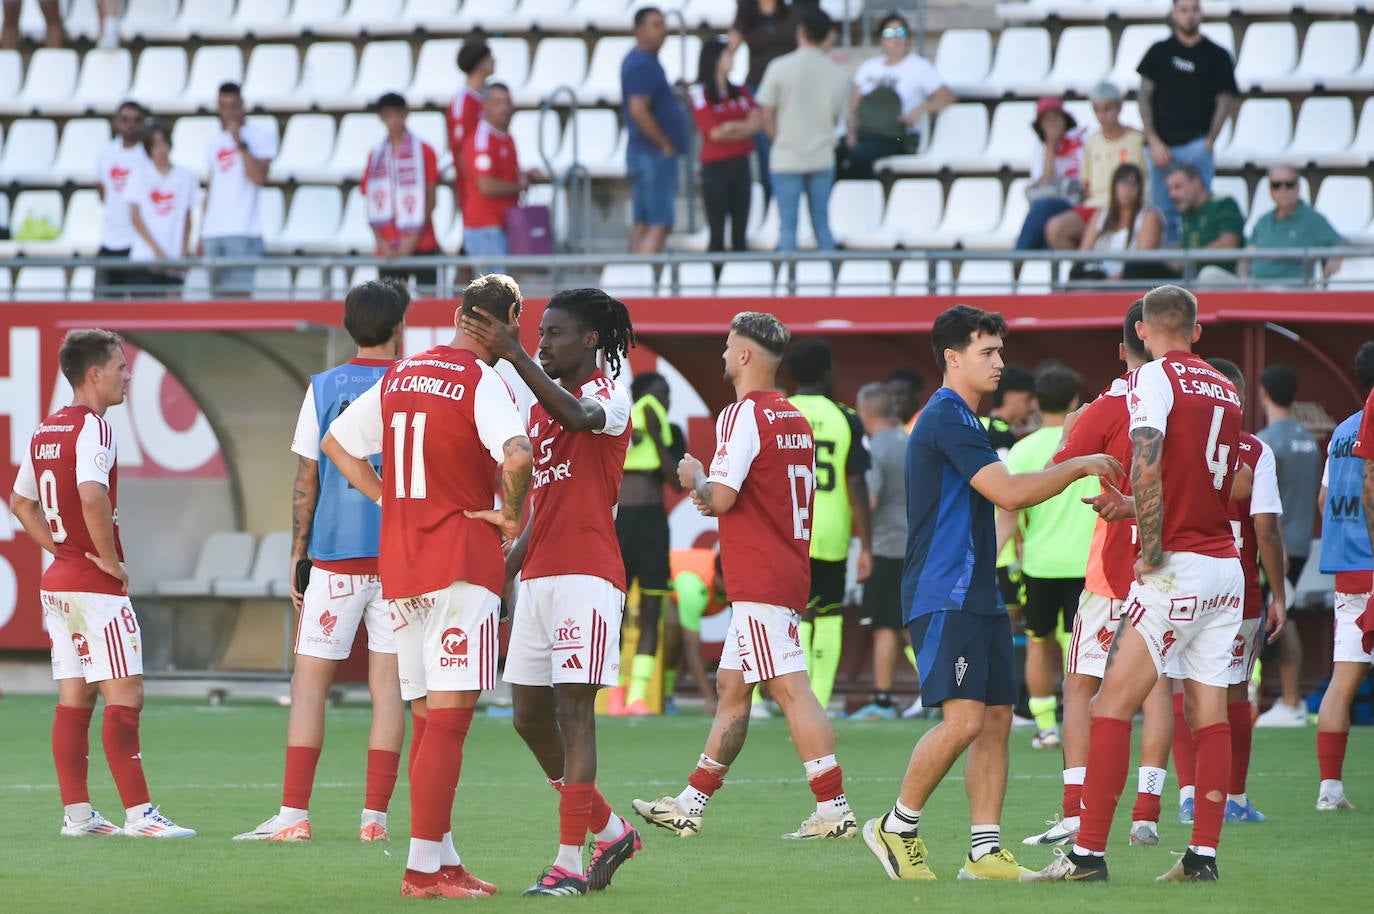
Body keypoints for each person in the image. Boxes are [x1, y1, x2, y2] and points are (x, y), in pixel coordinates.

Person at [862, 304, 1119, 882]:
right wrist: (1078, 463)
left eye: (1001, 350)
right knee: (964, 721)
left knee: (998, 718)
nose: (1001, 362)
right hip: (944, 591)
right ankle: (895, 826)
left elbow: (1005, 489)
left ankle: (983, 853)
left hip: (977, 592)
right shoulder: (946, 416)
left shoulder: (966, 419)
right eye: (988, 352)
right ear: (952, 359)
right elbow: (1008, 493)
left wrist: (1070, 450)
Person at [320, 274, 533, 899]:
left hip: (403, 566)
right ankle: (420, 871)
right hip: (459, 563)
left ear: (459, 314)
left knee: (425, 715)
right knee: (450, 720)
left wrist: (394, 504)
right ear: (508, 322)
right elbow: (517, 455)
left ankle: (441, 858)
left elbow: (337, 445)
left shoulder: (404, 373)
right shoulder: (481, 380)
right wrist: (512, 515)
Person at [1025, 284, 1244, 884]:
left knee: (1107, 705)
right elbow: (1201, 479)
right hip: (1225, 566)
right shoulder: (1224, 383)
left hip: (1175, 566)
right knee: (1210, 713)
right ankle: (1202, 857)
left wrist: (1148, 546)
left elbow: (1146, 457)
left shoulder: (1152, 378)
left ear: (1142, 332)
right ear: (1197, 331)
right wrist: (1133, 509)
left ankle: (1086, 855)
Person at [633, 311, 857, 842]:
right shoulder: (794, 416)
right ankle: (691, 802)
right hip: (782, 566)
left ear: (745, 355)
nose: (723, 355)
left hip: (760, 574)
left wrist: (693, 477)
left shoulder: (741, 415)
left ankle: (833, 807)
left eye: (728, 346)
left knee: (791, 689)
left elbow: (721, 498)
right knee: (732, 687)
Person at [459, 288, 644, 896]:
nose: (544, 342)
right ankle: (611, 828)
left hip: (588, 577)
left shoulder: (609, 396)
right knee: (528, 717)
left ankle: (569, 862)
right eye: (540, 334)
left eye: (556, 333)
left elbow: (578, 418)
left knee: (574, 714)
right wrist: (508, 564)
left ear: (591, 339)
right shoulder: (540, 412)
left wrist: (513, 354)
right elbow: (542, 499)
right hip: (538, 579)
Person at [233, 281, 409, 844]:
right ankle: (374, 821)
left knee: (310, 683)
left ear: (349, 326)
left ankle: (293, 817)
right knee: (389, 688)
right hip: (401, 555)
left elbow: (307, 476)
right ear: (399, 326)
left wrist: (297, 554)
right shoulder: (415, 381)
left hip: (334, 556)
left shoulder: (324, 386)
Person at [8, 329, 195, 839]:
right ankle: (140, 816)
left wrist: (60, 550)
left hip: (59, 583)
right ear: (94, 374)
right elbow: (93, 496)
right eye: (120, 367)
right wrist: (109, 561)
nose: (127, 376)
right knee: (126, 697)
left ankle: (78, 816)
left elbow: (20, 501)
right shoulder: (95, 428)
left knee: (75, 699)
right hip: (93, 587)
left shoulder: (47, 428)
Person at [1021, 300, 1173, 850]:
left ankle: (1074, 811)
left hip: (1113, 572)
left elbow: (1047, 477)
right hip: (1174, 563)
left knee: (1081, 683)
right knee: (1157, 688)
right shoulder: (1200, 394)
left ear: (1123, 348)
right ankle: (1148, 814)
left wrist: (1074, 439)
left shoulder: (1111, 403)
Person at [1167, 358, 1286, 825]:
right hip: (1237, 589)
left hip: (1182, 581)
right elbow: (1267, 530)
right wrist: (1281, 594)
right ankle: (1232, 798)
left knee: (1182, 689)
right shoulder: (1256, 451)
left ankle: (1188, 797)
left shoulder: (1179, 443)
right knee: (1234, 690)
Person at [1001, 362, 1099, 750]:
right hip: (1086, 565)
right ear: (1076, 400)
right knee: (1083, 648)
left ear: (1037, 403)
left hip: (1039, 565)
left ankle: (1046, 728)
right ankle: (1083, 725)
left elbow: (1012, 513)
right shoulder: (1092, 446)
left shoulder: (1023, 450)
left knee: (1039, 643)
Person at [787, 338, 872, 710]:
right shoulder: (846, 417)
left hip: (788, 529)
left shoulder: (778, 411)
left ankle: (793, 697)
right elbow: (856, 483)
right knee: (830, 610)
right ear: (826, 373)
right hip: (832, 529)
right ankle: (818, 701)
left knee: (796, 611)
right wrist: (866, 546)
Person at [1313, 340, 1374, 812]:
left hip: (1346, 568)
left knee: (1343, 679)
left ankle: (1329, 790)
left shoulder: (1341, 430)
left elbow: (1323, 500)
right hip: (1370, 559)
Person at [611, 371, 684, 716]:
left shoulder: (671, 434)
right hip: (620, 523)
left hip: (654, 523)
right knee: (615, 610)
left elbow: (677, 482)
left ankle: (637, 696)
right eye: (657, 394)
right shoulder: (620, 428)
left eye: (667, 395)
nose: (664, 402)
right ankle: (615, 692)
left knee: (652, 609)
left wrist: (655, 437)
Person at [1255, 364, 1322, 727]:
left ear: (1264, 392)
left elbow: (1267, 502)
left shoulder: (1267, 439)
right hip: (1299, 541)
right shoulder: (1307, 439)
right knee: (1286, 611)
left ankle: (1291, 701)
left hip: (1275, 544)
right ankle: (1289, 701)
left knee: (1283, 614)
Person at [1137, 0, 1237, 243]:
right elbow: (1143, 96)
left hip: (1196, 146)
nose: (1189, 15)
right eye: (1184, 9)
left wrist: (1210, 140)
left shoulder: (1217, 54)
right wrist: (1153, 140)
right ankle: (1169, 274)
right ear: (1174, 13)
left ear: (1201, 12)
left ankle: (1198, 272)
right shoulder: (1159, 51)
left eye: (1194, 9)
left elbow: (1225, 100)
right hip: (1162, 148)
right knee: (1163, 214)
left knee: (1201, 211)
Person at [756, 6, 849, 254]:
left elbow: (766, 113)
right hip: (821, 156)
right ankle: (831, 288)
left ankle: (789, 289)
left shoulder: (779, 67)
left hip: (786, 156)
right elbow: (836, 118)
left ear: (801, 31)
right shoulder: (838, 73)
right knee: (822, 226)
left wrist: (779, 140)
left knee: (787, 228)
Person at [850, 382, 914, 720]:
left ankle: (884, 699)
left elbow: (868, 499)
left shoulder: (877, 448)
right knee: (910, 625)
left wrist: (861, 541)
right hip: (916, 544)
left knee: (885, 626)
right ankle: (936, 691)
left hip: (888, 546)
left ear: (865, 412)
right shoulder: (910, 440)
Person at [837, 12, 954, 181]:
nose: (896, 39)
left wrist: (921, 108)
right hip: (866, 132)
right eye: (890, 34)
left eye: (901, 33)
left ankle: (866, 201)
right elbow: (854, 106)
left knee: (860, 156)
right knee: (833, 156)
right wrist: (851, 132)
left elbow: (947, 96)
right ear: (881, 39)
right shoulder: (869, 67)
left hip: (897, 135)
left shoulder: (919, 67)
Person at [1047, 82, 1149, 252]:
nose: (1102, 115)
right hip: (1096, 207)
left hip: (1127, 207)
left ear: (1119, 108)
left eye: (1107, 108)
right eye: (1097, 110)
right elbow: (1086, 184)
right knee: (1056, 228)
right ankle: (1084, 271)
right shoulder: (1092, 141)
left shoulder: (1138, 140)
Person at [199, 81, 277, 296]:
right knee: (216, 300)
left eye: (234, 105)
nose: (230, 112)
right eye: (224, 106)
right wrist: (201, 231)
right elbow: (211, 186)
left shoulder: (260, 135)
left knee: (239, 299)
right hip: (213, 231)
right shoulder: (214, 141)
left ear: (242, 104)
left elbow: (259, 177)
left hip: (243, 228)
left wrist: (240, 143)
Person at [623, 7, 689, 255]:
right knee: (658, 224)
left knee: (642, 223)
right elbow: (639, 109)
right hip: (653, 154)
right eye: (656, 25)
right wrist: (665, 144)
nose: (664, 30)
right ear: (638, 30)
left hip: (643, 152)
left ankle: (629, 284)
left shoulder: (641, 61)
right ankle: (643, 287)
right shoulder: (643, 64)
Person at [460, 83, 546, 272]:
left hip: (503, 224)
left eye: (507, 102)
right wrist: (519, 186)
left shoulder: (506, 137)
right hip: (485, 227)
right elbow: (486, 186)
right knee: (496, 292)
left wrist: (526, 176)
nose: (505, 108)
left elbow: (505, 176)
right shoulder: (482, 140)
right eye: (498, 102)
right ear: (485, 106)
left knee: (505, 288)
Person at [690, 36, 761, 256]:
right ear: (714, 59)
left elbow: (757, 122)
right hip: (715, 168)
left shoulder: (740, 90)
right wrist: (740, 127)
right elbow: (715, 132)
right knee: (717, 232)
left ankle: (739, 282)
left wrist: (732, 127)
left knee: (740, 232)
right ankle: (716, 284)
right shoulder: (700, 93)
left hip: (741, 164)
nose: (733, 59)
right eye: (728, 54)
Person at [361, 92, 440, 289]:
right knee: (389, 307)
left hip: (422, 242)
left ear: (406, 114)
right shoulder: (376, 155)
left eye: (398, 114)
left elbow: (430, 198)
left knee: (429, 304)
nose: (394, 120)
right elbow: (371, 202)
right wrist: (381, 242)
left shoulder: (424, 151)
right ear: (381, 118)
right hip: (388, 246)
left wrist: (411, 239)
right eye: (388, 115)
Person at [729, 0, 798, 199]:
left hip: (789, 92)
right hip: (759, 89)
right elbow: (728, 50)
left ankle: (791, 199)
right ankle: (772, 202)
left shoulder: (791, 13)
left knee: (790, 145)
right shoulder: (746, 16)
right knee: (767, 150)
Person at [126, 121, 200, 298]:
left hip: (174, 258)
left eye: (163, 143)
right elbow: (136, 217)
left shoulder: (186, 176)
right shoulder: (139, 174)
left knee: (171, 317)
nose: (161, 150)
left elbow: (187, 218)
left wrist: (182, 251)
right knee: (143, 313)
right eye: (155, 145)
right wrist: (156, 251)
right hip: (145, 257)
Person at [1248, 165, 1345, 283]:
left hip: (1293, 292)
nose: (1283, 190)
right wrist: (1243, 279)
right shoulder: (1263, 221)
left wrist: (1335, 257)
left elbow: (1341, 243)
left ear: (1298, 187)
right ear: (1270, 189)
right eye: (1276, 185)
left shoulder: (1311, 219)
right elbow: (1247, 255)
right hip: (1256, 290)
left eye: (1289, 184)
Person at [1016, 96, 1087, 251]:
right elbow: (1046, 185)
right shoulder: (1039, 151)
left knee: (1043, 208)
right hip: (1051, 207)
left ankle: (1017, 260)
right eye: (1047, 120)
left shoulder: (1082, 143)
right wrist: (1051, 145)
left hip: (1075, 201)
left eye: (1056, 118)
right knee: (1044, 215)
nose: (1052, 124)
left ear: (1064, 120)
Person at [94, 100, 149, 298]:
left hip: (138, 243)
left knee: (137, 310)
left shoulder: (147, 155)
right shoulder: (106, 152)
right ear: (116, 121)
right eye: (125, 119)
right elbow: (101, 189)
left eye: (136, 120)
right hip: (110, 239)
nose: (130, 124)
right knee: (103, 311)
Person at [1076, 163, 1164, 282]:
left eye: (1133, 184)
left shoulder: (1148, 216)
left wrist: (1109, 282)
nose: (1128, 189)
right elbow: (1083, 254)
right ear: (1114, 186)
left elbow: (1143, 263)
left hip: (1130, 282)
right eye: (1122, 183)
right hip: (1098, 277)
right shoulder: (1101, 214)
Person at [1168, 163, 1243, 279]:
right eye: (1170, 189)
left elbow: (1228, 244)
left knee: (1208, 274)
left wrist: (1189, 258)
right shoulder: (1186, 212)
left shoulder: (1224, 204)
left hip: (1226, 282)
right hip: (1193, 281)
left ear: (1196, 182)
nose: (1172, 194)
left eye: (1178, 187)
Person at [449, 39, 493, 210]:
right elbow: (461, 149)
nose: (495, 61)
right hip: (475, 189)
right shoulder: (464, 101)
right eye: (490, 57)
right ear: (480, 62)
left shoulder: (490, 98)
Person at [887, 367, 925, 433]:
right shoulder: (888, 425)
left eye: (900, 394)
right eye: (891, 394)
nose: (895, 399)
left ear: (916, 395)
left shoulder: (928, 422)